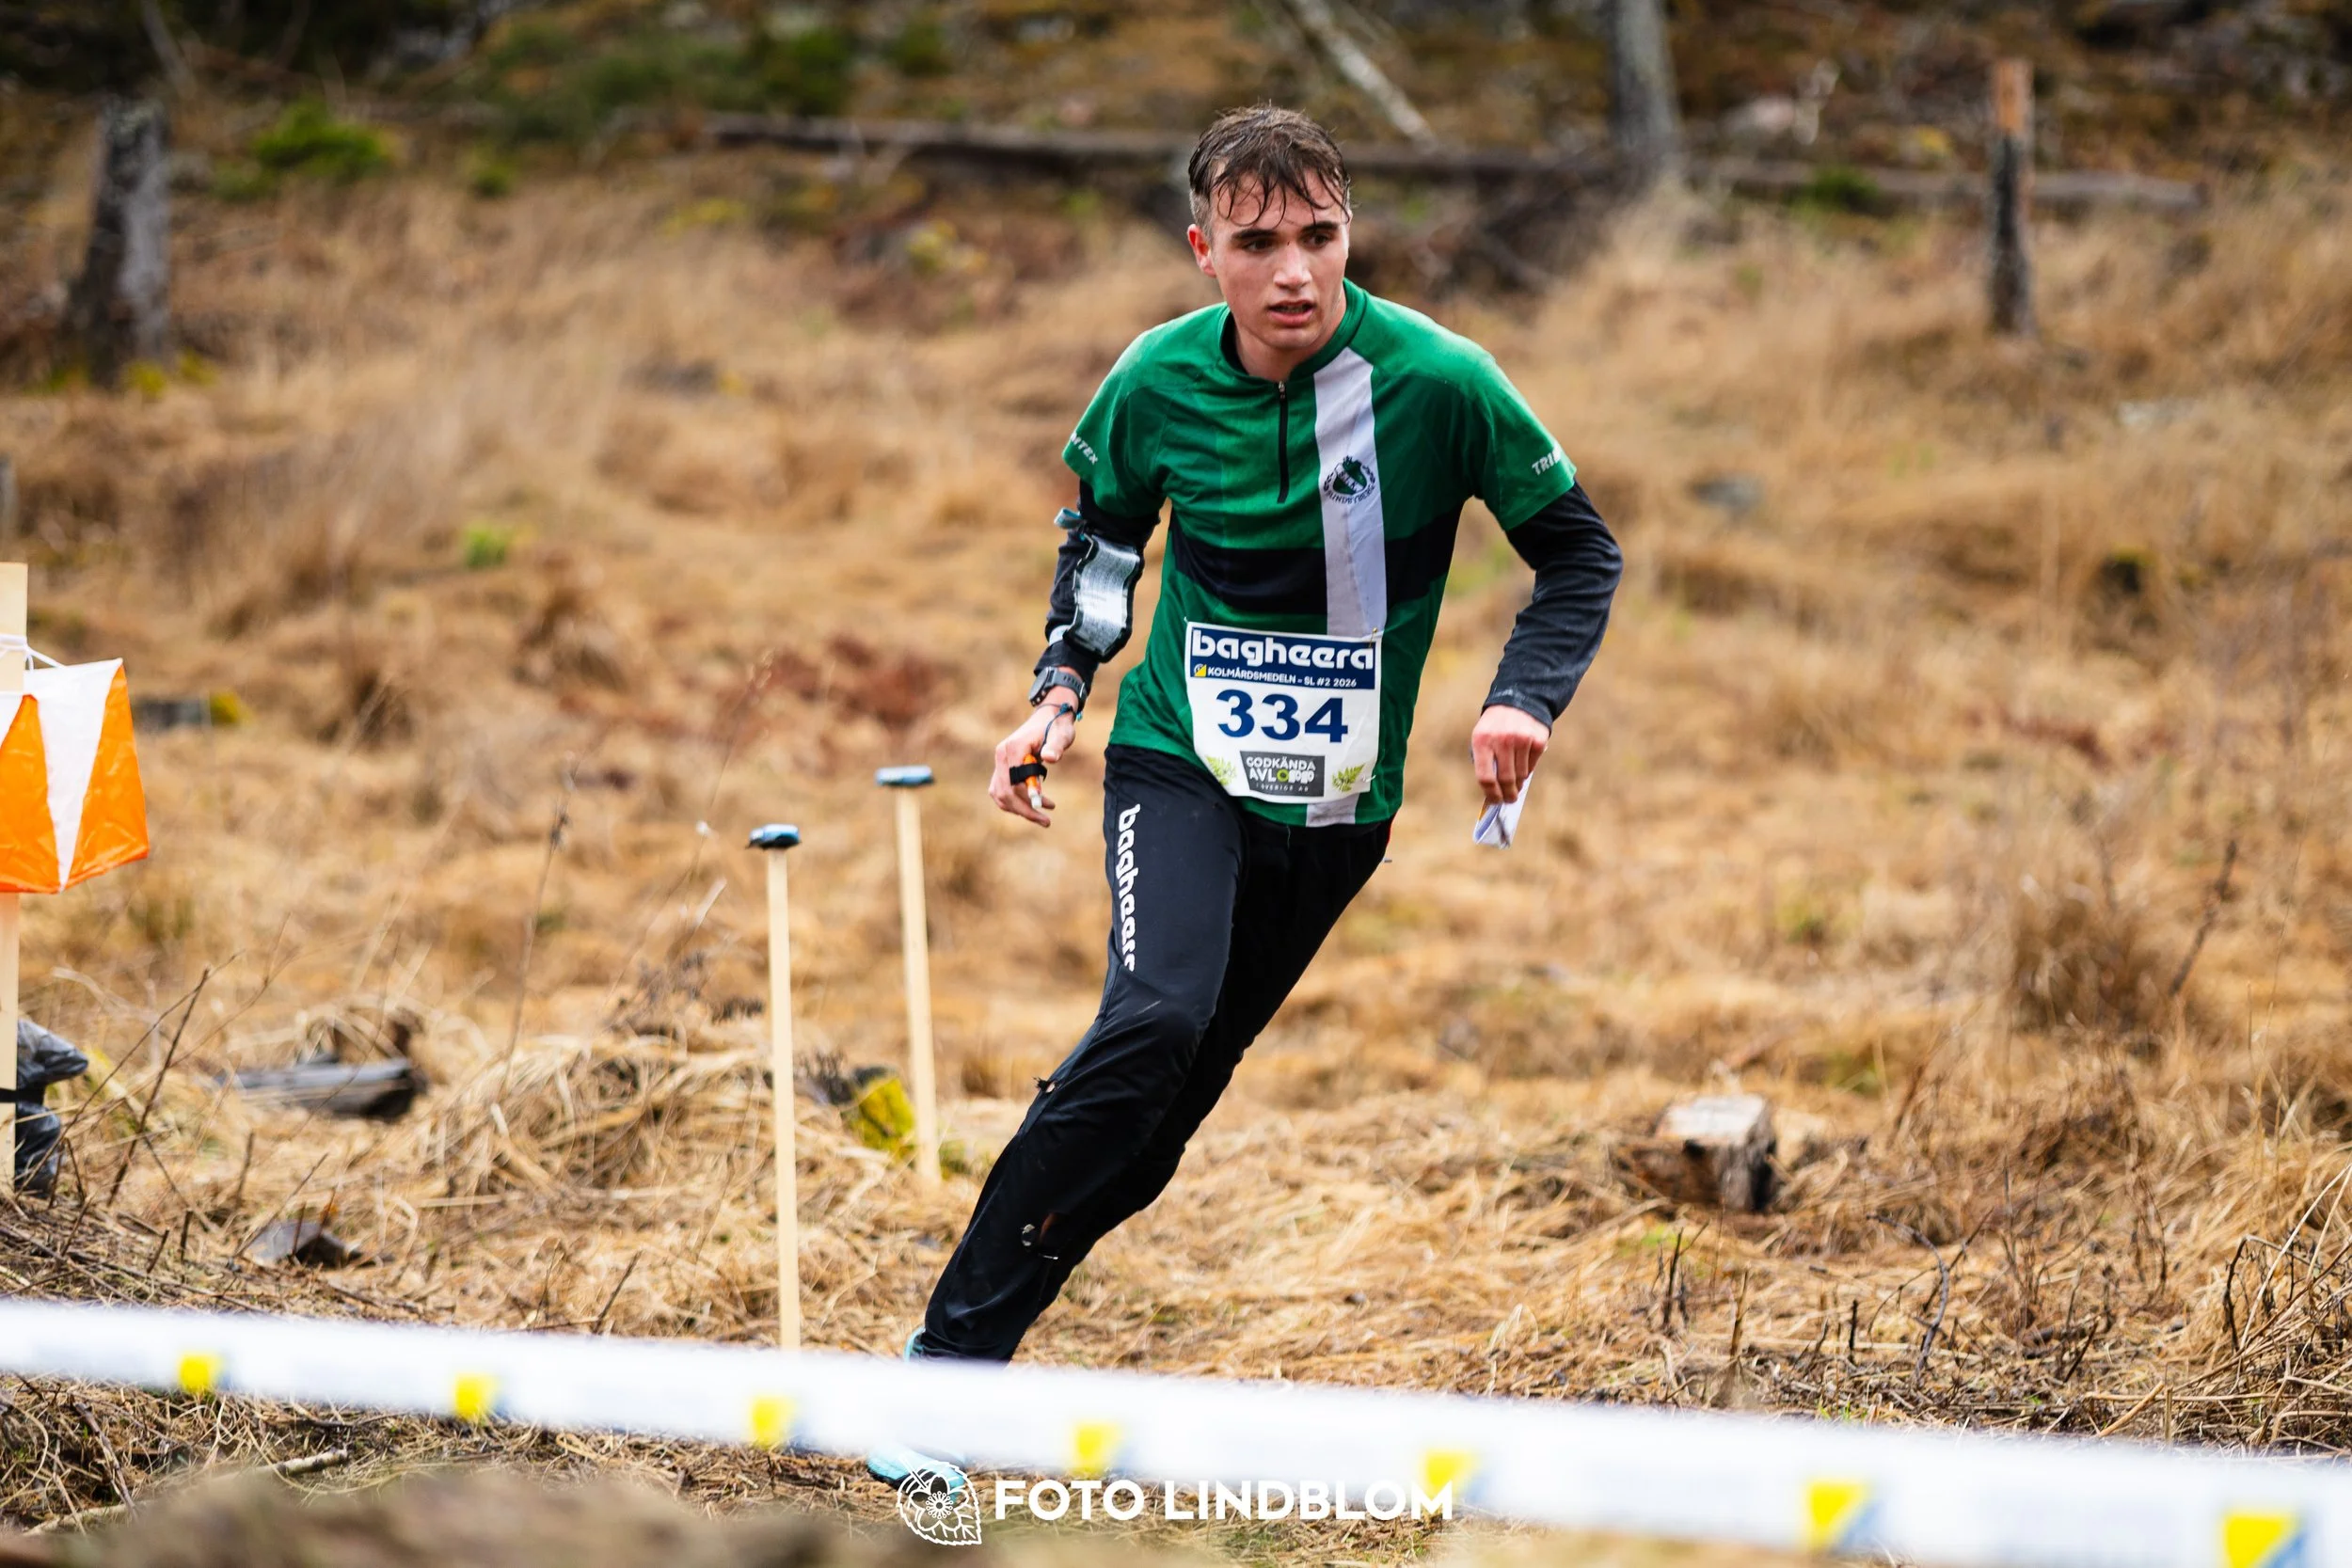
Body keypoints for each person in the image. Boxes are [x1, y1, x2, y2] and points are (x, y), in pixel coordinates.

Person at [870, 103, 1619, 1482]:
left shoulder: (1443, 382)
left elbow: (1578, 553)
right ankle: (942, 1384)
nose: (1295, 272)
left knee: (1155, 1125)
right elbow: (1103, 543)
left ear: (1351, 235)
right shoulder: (1153, 381)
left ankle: (999, 1302)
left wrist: (1524, 694)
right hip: (1179, 756)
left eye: (1320, 236)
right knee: (1151, 1019)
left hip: (1339, 807)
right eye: (1261, 241)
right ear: (1203, 248)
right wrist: (1057, 697)